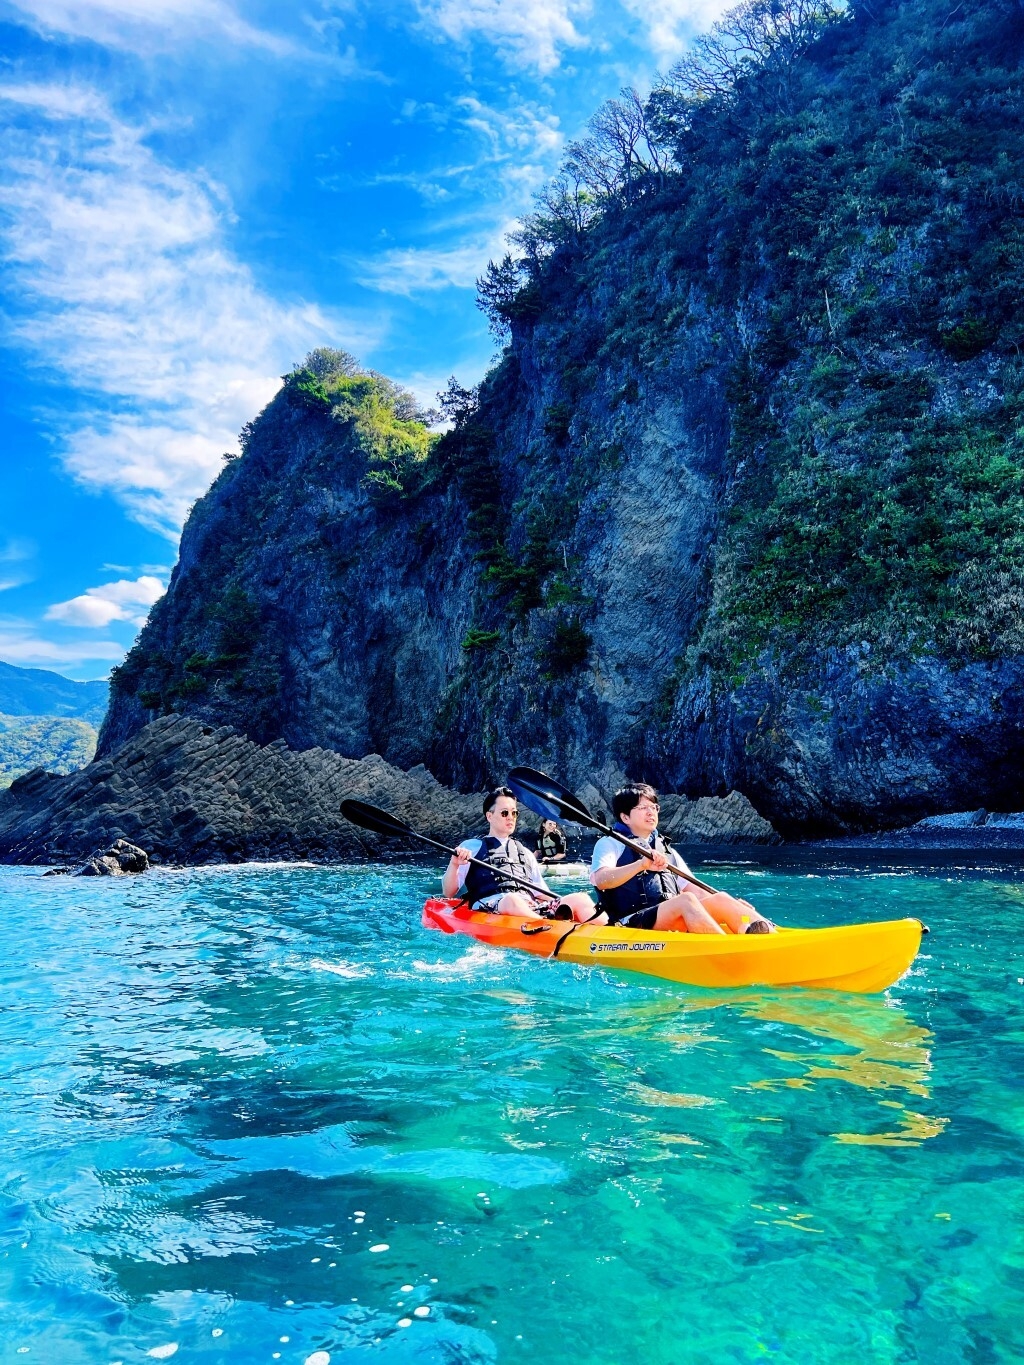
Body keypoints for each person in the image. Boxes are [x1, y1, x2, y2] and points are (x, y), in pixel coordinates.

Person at [589, 782, 775, 935]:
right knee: (686, 901)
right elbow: (602, 880)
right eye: (643, 807)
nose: (651, 812)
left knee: (721, 899)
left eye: (654, 807)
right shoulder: (609, 843)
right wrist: (640, 865)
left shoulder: (666, 849)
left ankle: (764, 935)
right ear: (625, 817)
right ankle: (727, 952)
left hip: (667, 918)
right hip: (629, 923)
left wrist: (733, 905)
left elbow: (695, 890)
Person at [442, 787, 596, 922]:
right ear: (489, 816)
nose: (511, 817)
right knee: (512, 900)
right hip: (494, 907)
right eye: (504, 813)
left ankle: (611, 934)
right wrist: (454, 863)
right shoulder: (471, 848)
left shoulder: (526, 853)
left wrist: (562, 903)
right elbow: (448, 892)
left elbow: (541, 892)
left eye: (514, 813)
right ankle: (550, 926)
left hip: (530, 908)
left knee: (580, 899)